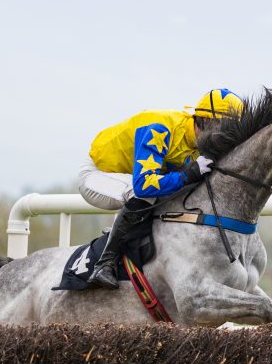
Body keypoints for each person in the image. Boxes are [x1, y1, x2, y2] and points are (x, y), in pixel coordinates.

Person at [78, 88, 244, 289]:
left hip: (127, 176)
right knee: (143, 192)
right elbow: (143, 186)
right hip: (97, 175)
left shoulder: (196, 141)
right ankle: (105, 263)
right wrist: (187, 174)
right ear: (208, 122)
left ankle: (127, 234)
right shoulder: (160, 128)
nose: (227, 139)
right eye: (226, 131)